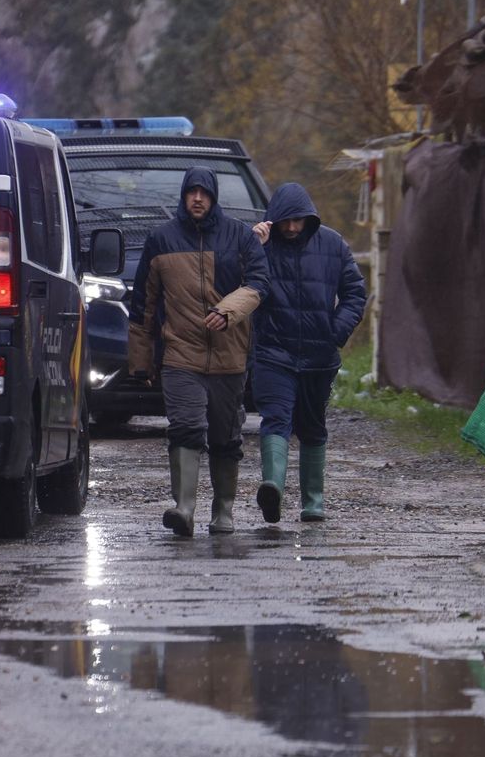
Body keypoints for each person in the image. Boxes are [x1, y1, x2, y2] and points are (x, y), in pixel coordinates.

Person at [128, 167, 270, 537]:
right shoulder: (161, 239)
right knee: (186, 426)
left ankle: (223, 511)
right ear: (183, 195)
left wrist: (228, 310)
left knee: (226, 436)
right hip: (180, 354)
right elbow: (143, 302)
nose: (197, 199)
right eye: (191, 192)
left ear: (214, 196)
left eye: (204, 193)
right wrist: (141, 360)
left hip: (230, 356)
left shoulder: (240, 236)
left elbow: (259, 283)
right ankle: (184, 508)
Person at [250, 182, 367, 523]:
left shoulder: (332, 244)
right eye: (285, 221)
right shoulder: (261, 245)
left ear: (309, 219)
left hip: (319, 357)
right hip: (272, 352)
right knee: (276, 418)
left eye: (297, 221)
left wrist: (335, 332)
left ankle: (313, 502)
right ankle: (272, 487)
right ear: (274, 218)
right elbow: (234, 282)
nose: (291, 228)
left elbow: (354, 293)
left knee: (313, 427)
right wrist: (251, 245)